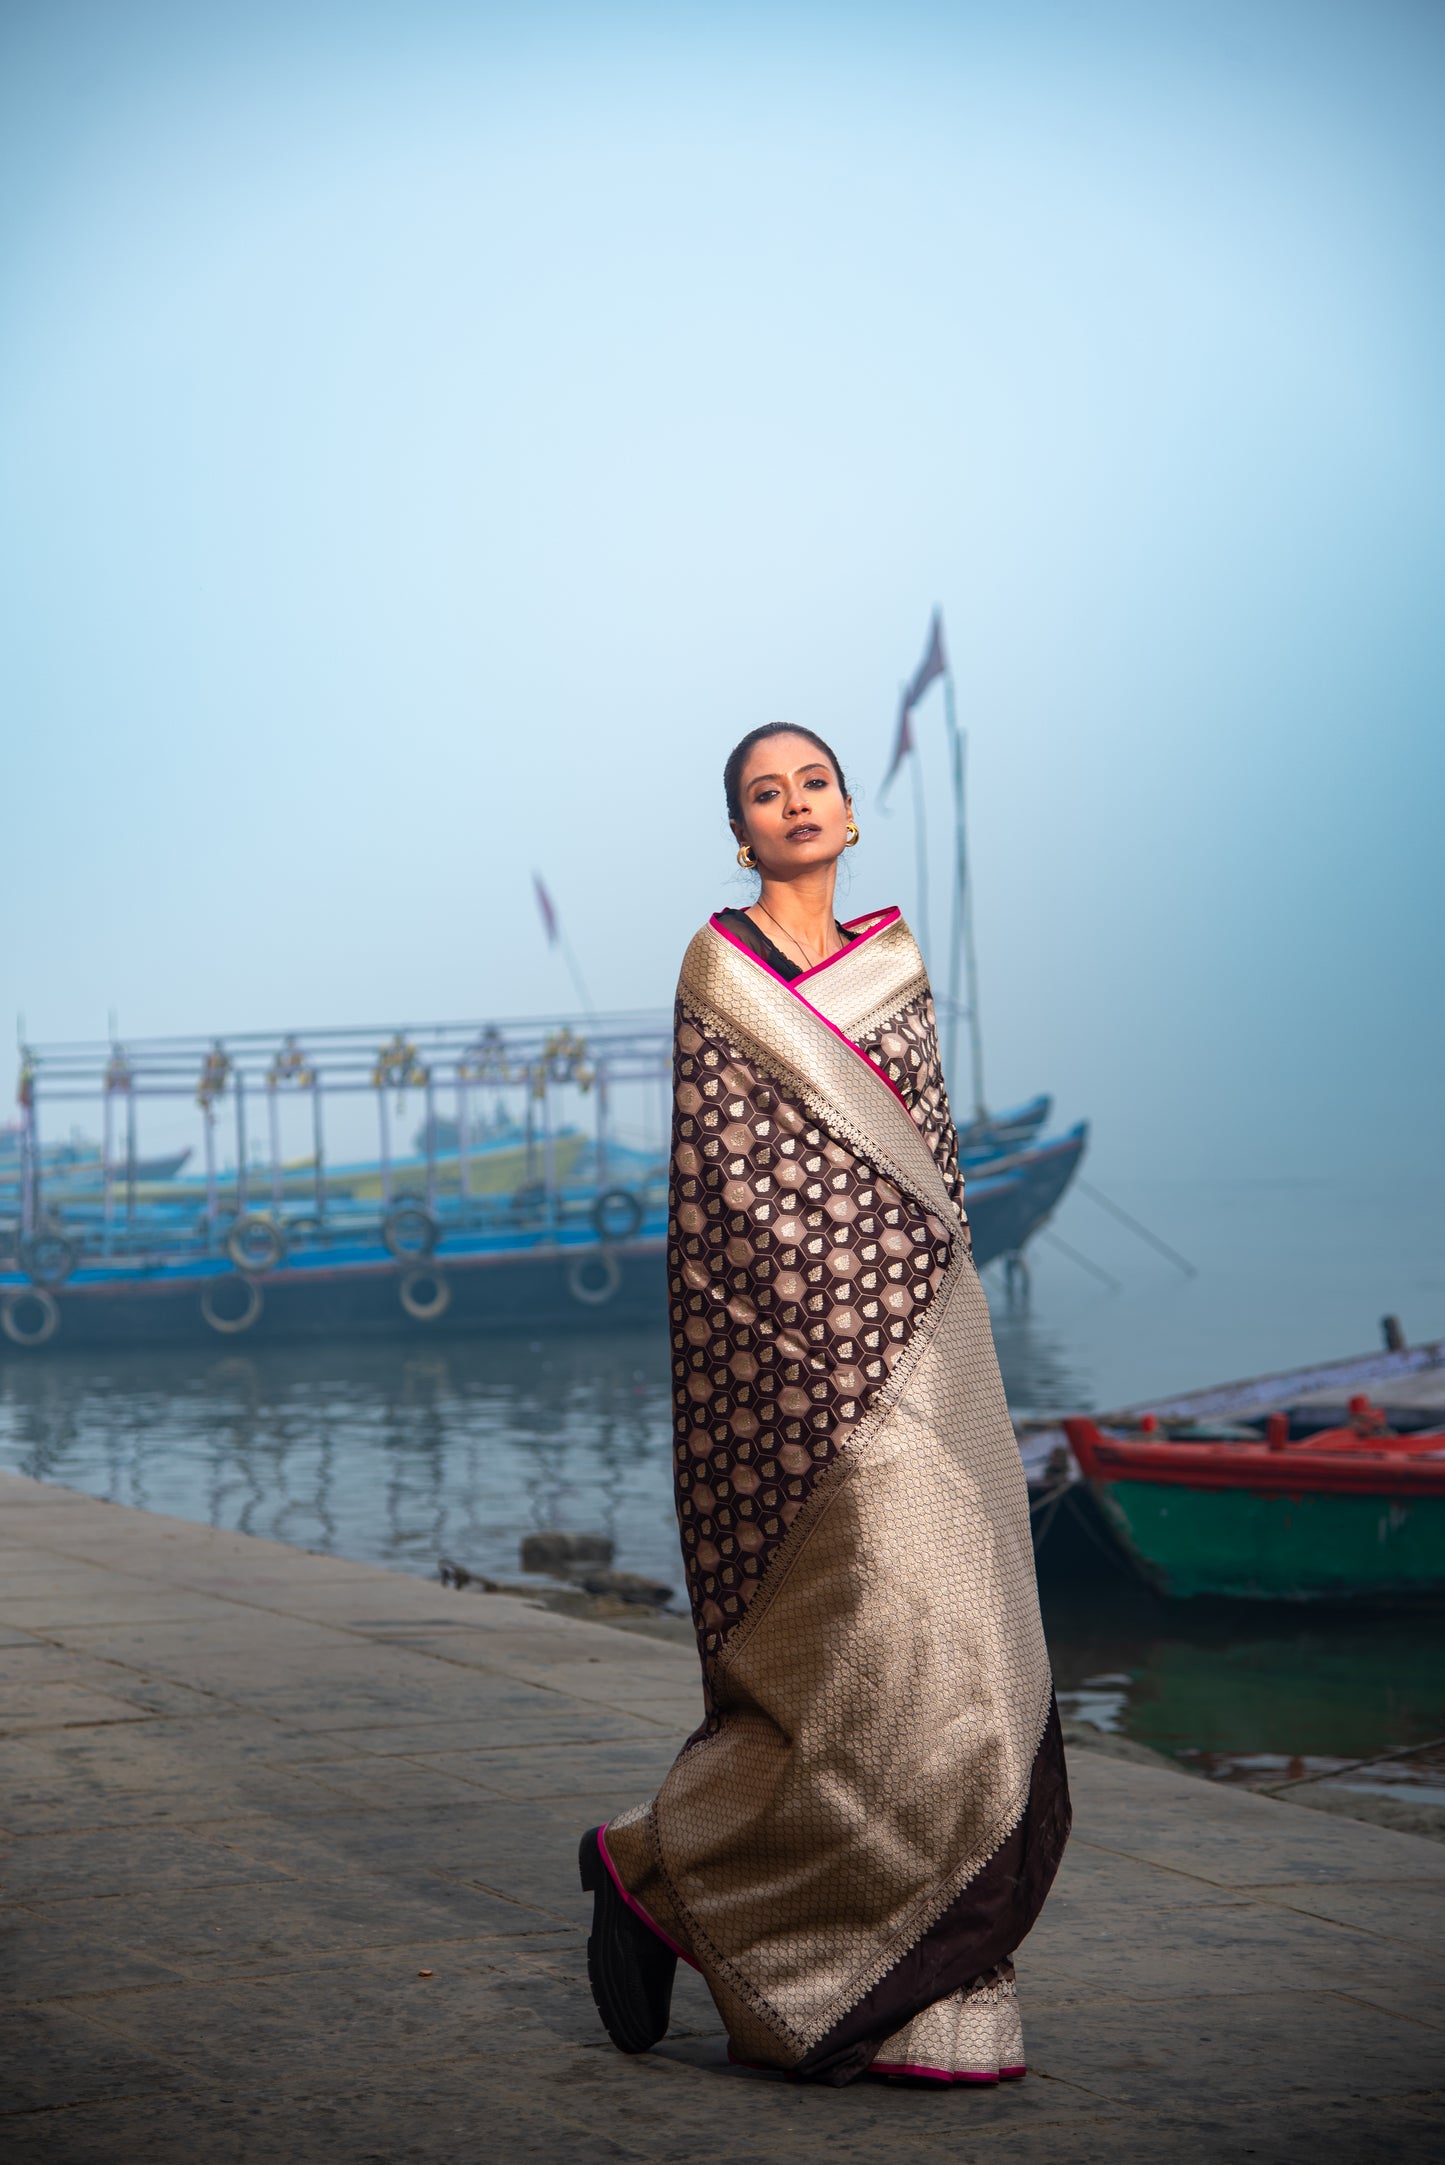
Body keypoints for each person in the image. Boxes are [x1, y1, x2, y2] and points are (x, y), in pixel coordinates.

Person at [580, 722, 1069, 2086]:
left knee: (978, 1650)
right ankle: (664, 1874)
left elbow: (933, 1180)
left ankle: (925, 1981)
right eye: (762, 792)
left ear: (850, 812)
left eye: (812, 783)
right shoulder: (719, 970)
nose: (792, 803)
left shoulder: (897, 970)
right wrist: (824, 1326)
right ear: (740, 835)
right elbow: (719, 1193)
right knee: (837, 1672)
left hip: (926, 1346)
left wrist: (932, 1332)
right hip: (789, 1373)